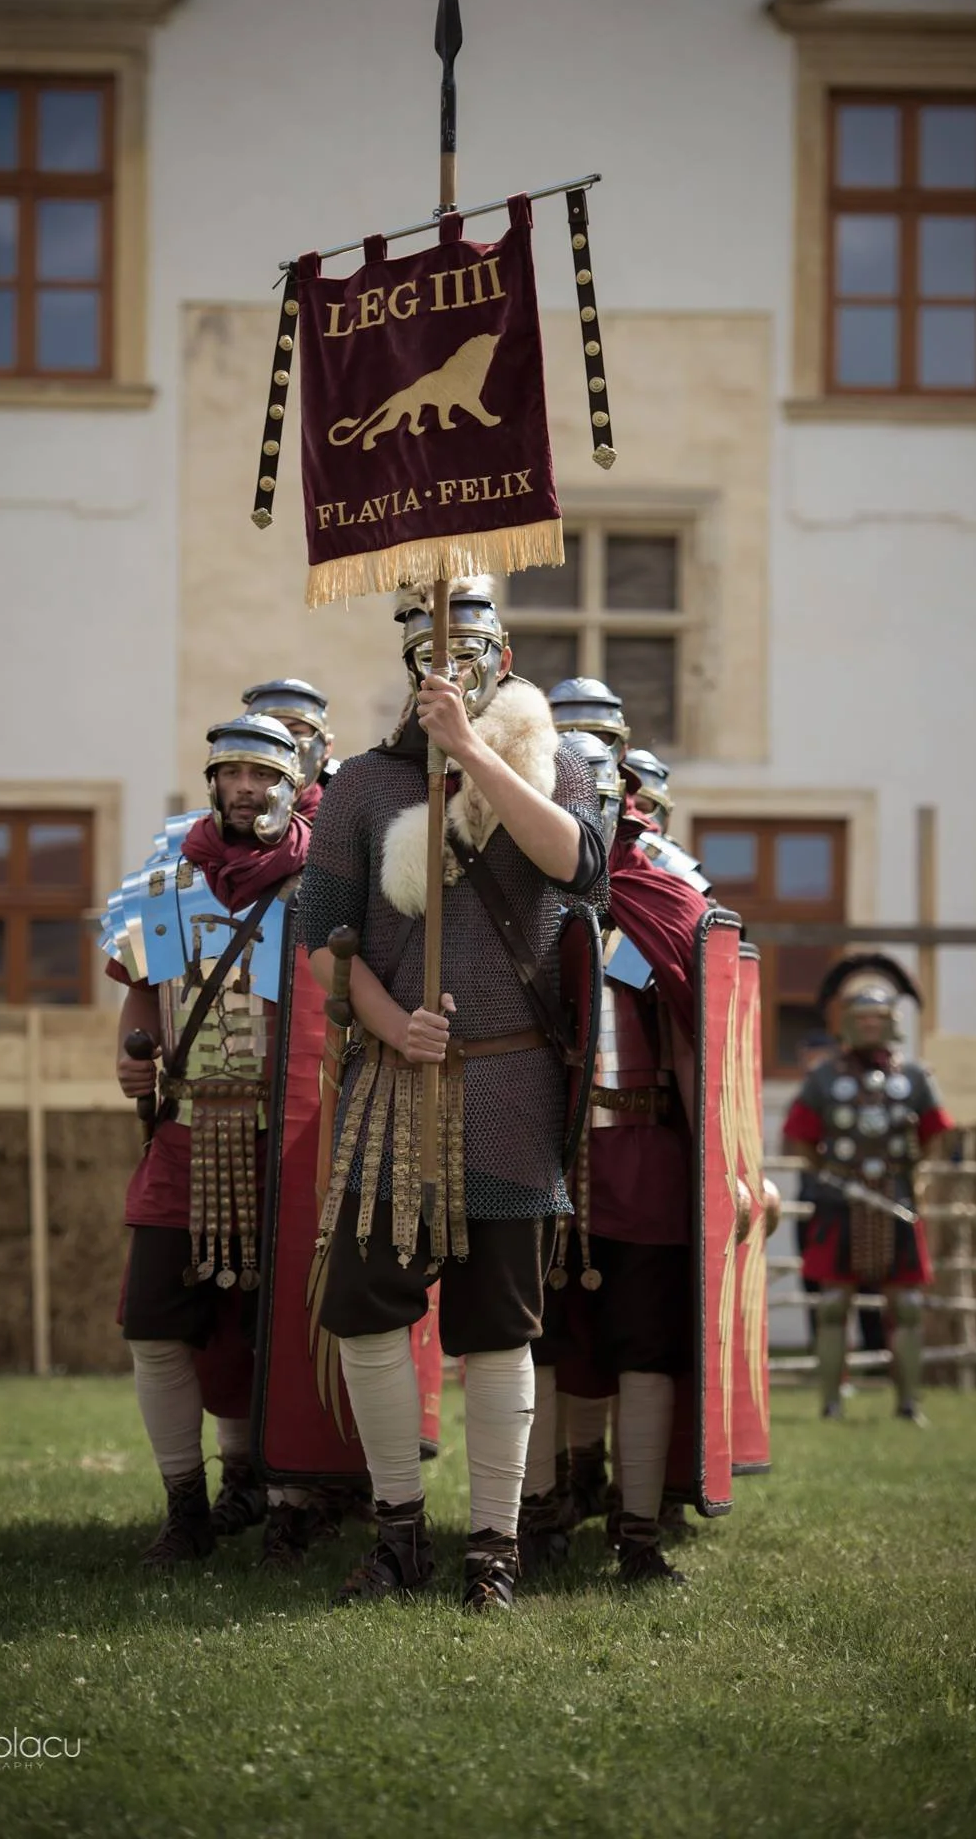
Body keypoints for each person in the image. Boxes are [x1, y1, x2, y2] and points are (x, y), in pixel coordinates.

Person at [298, 579, 608, 1613]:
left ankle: (493, 1548)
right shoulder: (360, 785)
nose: (450, 664)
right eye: (433, 650)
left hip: (510, 1081)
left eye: (471, 650)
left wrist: (472, 753)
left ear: (502, 655)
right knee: (365, 1306)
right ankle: (397, 1534)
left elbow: (581, 867)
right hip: (392, 1084)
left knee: (499, 1328)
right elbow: (323, 939)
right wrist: (391, 1023)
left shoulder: (552, 762)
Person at [104, 713, 316, 1566]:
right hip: (184, 1139)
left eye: (261, 776)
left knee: (281, 1332)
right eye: (231, 773)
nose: (244, 789)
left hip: (284, 1143)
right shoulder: (168, 879)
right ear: (213, 782)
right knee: (155, 1328)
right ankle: (185, 1509)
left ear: (290, 787)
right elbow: (141, 983)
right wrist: (132, 1057)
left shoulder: (320, 885)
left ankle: (289, 1503)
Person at [521, 734, 709, 1585]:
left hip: (643, 1161)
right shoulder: (515, 891)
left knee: (644, 1348)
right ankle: (535, 1518)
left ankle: (637, 1532)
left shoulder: (659, 895)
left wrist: (717, 1162)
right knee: (535, 1343)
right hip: (537, 1155)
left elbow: (692, 1044)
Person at [782, 955, 954, 1424]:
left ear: (893, 1021)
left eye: (879, 1017)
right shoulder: (823, 1078)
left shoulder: (915, 1078)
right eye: (863, 1018)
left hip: (896, 1199)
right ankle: (831, 1402)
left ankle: (908, 1403)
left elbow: (936, 1131)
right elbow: (799, 1135)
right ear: (847, 1023)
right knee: (833, 1303)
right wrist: (824, 1171)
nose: (871, 1026)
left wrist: (919, 1173)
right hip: (840, 1202)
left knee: (908, 1306)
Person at [240, 676, 337, 820]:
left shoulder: (350, 824)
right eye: (269, 730)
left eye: (296, 732)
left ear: (327, 747)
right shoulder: (210, 827)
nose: (282, 739)